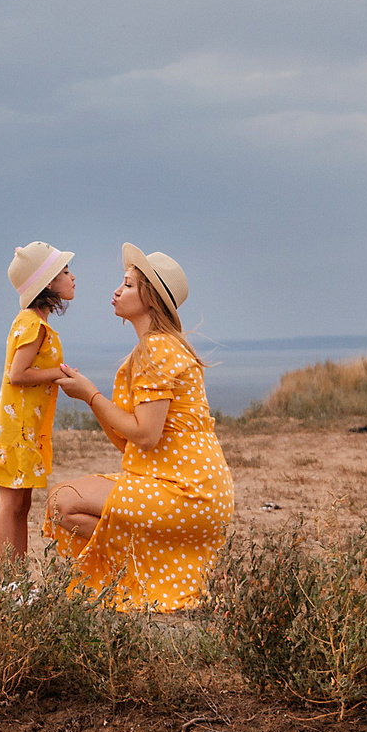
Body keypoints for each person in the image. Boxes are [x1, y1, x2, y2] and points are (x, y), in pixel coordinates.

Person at [47, 244, 234, 611]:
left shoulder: (156, 349)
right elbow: (130, 440)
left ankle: (138, 580)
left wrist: (92, 395)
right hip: (189, 487)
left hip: (186, 492)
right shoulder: (154, 348)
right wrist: (90, 398)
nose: (117, 291)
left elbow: (145, 435)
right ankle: (151, 576)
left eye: (129, 285)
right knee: (65, 501)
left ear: (150, 298)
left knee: (63, 502)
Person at [0, 241, 78, 560]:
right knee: (12, 503)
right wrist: (59, 374)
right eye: (66, 272)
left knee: (22, 504)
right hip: (16, 431)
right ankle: (8, 583)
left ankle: (16, 580)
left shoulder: (37, 323)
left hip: (26, 429)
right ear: (47, 284)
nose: (73, 278)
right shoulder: (32, 324)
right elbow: (18, 374)